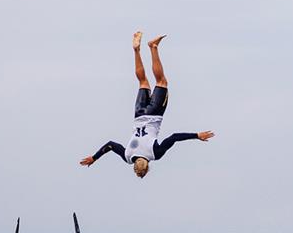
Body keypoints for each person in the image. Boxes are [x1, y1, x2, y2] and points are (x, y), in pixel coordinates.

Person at [79, 32, 215, 178]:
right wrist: (94, 158)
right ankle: (136, 50)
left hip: (154, 113)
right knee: (143, 81)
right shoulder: (127, 156)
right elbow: (111, 145)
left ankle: (153, 47)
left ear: (148, 167)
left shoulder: (155, 154)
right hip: (139, 113)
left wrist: (196, 135)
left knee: (161, 82)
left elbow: (174, 137)